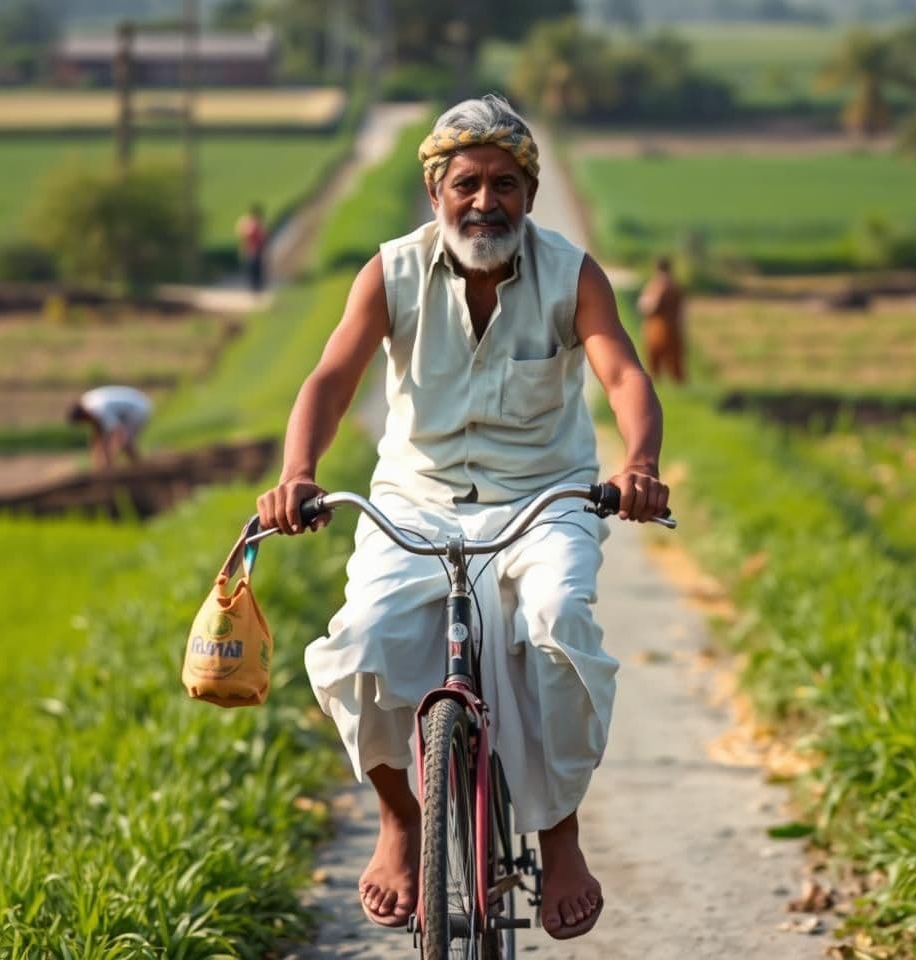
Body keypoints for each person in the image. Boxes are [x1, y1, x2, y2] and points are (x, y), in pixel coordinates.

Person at [256, 95, 668, 942]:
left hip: (543, 501)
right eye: (469, 183)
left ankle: (559, 837)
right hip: (415, 501)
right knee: (364, 640)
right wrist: (297, 474)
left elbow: (623, 373)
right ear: (437, 190)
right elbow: (330, 380)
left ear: (530, 192)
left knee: (556, 626)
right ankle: (402, 822)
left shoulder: (571, 273)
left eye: (507, 184)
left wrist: (639, 465)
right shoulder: (391, 273)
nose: (487, 202)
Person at [67, 384, 152, 469]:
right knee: (120, 441)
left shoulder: (100, 409)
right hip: (129, 405)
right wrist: (97, 462)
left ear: (84, 415)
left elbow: (118, 432)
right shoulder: (87, 403)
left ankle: (140, 467)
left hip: (138, 408)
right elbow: (97, 435)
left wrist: (108, 460)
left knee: (125, 441)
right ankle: (137, 466)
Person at [636, 256, 686, 384]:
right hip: (674, 328)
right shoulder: (675, 285)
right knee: (676, 367)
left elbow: (649, 307)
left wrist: (643, 304)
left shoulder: (657, 286)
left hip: (657, 330)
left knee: (655, 367)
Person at [235, 203, 268, 292]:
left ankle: (257, 287)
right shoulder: (250, 223)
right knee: (252, 270)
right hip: (251, 250)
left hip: (257, 250)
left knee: (258, 270)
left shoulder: (258, 223)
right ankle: (254, 288)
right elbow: (244, 234)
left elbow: (263, 236)